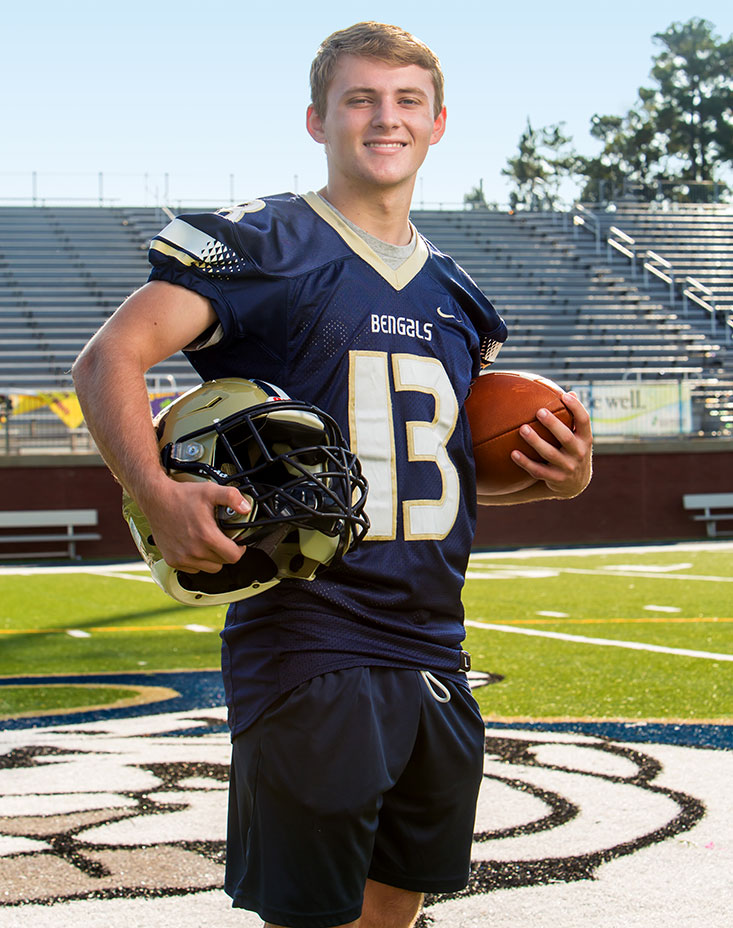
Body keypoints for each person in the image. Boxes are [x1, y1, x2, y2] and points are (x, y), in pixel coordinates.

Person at [72, 21, 592, 928]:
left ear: (436, 124)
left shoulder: (460, 296)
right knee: (316, 914)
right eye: (359, 99)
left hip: (434, 641)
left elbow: (423, 467)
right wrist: (157, 491)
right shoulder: (264, 243)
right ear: (317, 120)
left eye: (404, 101)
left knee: (396, 903)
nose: (383, 119)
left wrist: (555, 478)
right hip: (310, 634)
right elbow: (108, 358)